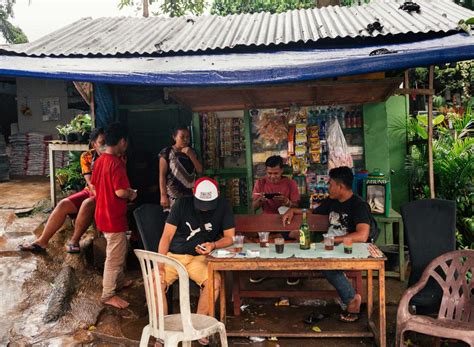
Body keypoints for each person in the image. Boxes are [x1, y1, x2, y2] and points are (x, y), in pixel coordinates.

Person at [282, 166, 373, 323]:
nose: (327, 187)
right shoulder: (332, 201)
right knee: (299, 252)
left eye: (330, 184)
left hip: (348, 249)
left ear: (340, 186)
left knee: (326, 264)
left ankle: (352, 299)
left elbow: (362, 235)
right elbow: (312, 212)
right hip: (329, 248)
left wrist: (333, 240)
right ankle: (350, 297)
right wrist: (293, 211)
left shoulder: (359, 205)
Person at [157, 177, 234, 343]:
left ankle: (197, 326)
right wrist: (160, 266)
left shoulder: (223, 206)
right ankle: (162, 332)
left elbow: (229, 238)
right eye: (201, 203)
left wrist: (213, 245)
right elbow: (166, 236)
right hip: (174, 257)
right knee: (155, 282)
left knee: (214, 282)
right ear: (193, 193)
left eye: (209, 204)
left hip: (200, 258)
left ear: (218, 194)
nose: (205, 209)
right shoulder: (181, 204)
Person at [19, 128, 106, 253]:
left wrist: (104, 199)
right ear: (94, 144)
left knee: (87, 203)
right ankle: (42, 242)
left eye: (107, 142)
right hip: (92, 190)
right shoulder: (87, 156)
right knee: (63, 203)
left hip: (106, 194)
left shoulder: (114, 157)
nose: (105, 146)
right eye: (101, 142)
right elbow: (91, 183)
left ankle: (74, 241)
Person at [91, 123, 137, 309]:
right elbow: (119, 192)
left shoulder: (100, 160)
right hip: (113, 216)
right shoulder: (116, 163)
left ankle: (118, 282)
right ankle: (108, 294)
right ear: (122, 141)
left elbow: (94, 185)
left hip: (102, 214)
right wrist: (131, 193)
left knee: (118, 249)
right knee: (114, 257)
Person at [251, 155, 300, 285]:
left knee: (297, 235)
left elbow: (296, 207)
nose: (272, 177)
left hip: (286, 222)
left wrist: (287, 202)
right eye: (269, 173)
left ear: (282, 171)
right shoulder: (260, 183)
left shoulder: (290, 183)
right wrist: (260, 200)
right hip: (266, 223)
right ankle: (262, 270)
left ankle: (292, 270)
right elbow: (253, 207)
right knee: (256, 238)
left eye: (276, 173)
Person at [159, 126, 203, 211]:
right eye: (182, 137)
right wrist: (163, 195)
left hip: (190, 197)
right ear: (174, 137)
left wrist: (191, 155)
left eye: (187, 137)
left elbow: (199, 170)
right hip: (173, 198)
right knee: (174, 222)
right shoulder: (167, 152)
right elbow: (162, 175)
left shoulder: (192, 152)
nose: (186, 140)